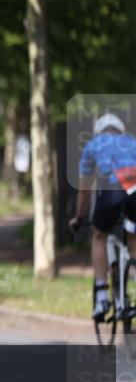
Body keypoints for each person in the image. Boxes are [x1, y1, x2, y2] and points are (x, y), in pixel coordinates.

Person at [69, 113, 136, 321]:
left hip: (113, 189)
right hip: (135, 188)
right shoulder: (132, 141)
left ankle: (101, 296)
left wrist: (79, 218)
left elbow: (84, 190)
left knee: (99, 235)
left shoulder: (92, 145)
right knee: (133, 236)